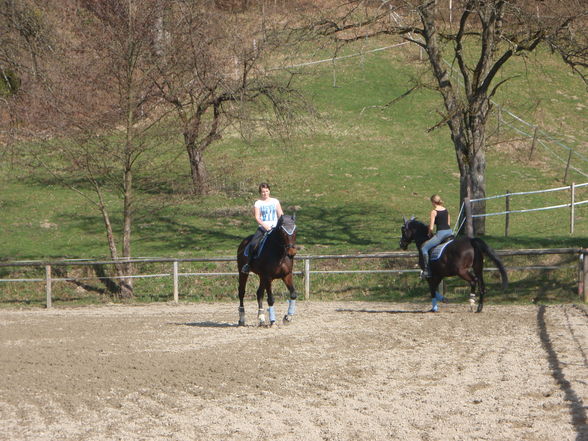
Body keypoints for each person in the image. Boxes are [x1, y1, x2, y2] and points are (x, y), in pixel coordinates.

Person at [241, 183, 284, 274]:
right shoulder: (258, 203)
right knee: (253, 244)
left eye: (266, 191)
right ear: (260, 193)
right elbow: (257, 217)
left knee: (286, 242)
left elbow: (280, 214)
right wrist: (265, 226)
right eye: (263, 192)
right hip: (263, 228)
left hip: (275, 227)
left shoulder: (275, 201)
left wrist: (282, 223)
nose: (265, 193)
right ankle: (248, 264)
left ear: (269, 191)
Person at [420, 194, 453, 278]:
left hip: (441, 234)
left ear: (433, 202)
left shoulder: (434, 212)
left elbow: (431, 228)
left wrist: (429, 233)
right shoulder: (446, 210)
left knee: (424, 248)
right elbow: (448, 223)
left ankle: (427, 270)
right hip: (449, 232)